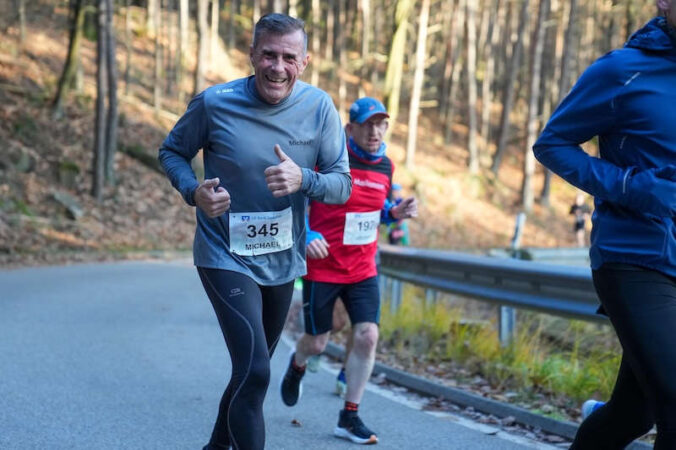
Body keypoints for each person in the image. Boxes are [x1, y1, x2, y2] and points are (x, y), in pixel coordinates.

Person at [158, 13, 352, 450]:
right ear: (251, 55)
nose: (277, 67)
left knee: (250, 369)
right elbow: (171, 151)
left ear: (304, 62)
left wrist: (305, 179)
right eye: (268, 54)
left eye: (288, 57)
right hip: (224, 252)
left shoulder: (319, 107)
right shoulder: (215, 102)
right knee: (258, 370)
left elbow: (342, 186)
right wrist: (194, 191)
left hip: (283, 258)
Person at [533, 3, 676, 448]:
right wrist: (633, 185)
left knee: (632, 414)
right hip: (635, 255)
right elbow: (552, 143)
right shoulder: (622, 71)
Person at [280, 97, 417, 445]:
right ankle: (297, 363)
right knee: (318, 342)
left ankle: (349, 415)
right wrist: (307, 234)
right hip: (323, 267)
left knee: (368, 335)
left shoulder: (386, 166)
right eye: (367, 124)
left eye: (380, 124)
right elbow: (299, 202)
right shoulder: (330, 160)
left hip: (363, 268)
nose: (374, 131)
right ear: (350, 129)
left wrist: (394, 214)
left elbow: (376, 210)